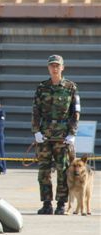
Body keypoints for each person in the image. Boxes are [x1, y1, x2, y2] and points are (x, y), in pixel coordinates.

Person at [32, 55, 80, 215]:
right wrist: (36, 131)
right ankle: (46, 204)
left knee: (63, 170)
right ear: (48, 68)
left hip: (62, 136)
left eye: (57, 66)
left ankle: (61, 204)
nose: (54, 68)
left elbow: (76, 112)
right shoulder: (41, 87)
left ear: (62, 67)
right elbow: (36, 111)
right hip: (44, 135)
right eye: (52, 65)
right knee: (43, 171)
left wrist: (72, 133)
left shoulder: (70, 87)